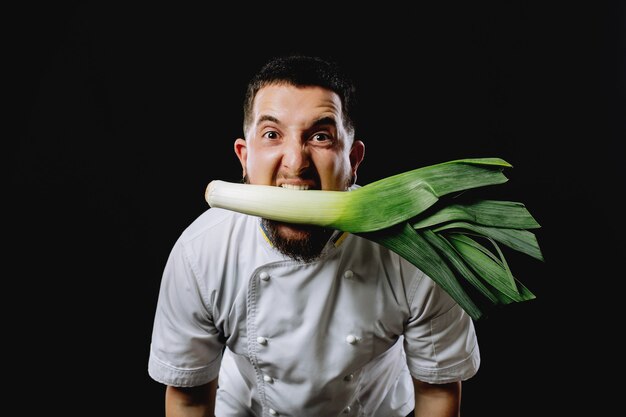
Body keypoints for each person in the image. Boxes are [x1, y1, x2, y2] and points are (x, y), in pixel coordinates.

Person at [148, 54, 480, 417]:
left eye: (321, 137)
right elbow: (188, 398)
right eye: (272, 134)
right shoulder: (199, 253)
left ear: (353, 161)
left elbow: (438, 391)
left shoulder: (418, 254)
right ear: (244, 158)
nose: (296, 163)